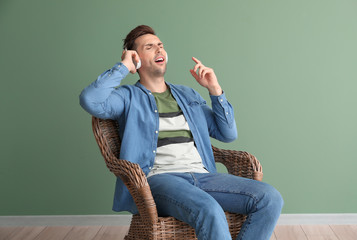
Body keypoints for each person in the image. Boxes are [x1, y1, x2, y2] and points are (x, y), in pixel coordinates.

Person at [80, 25, 283, 240]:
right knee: (209, 209)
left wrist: (215, 90)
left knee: (270, 198)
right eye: (149, 47)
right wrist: (123, 66)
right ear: (136, 59)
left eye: (161, 45)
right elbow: (90, 100)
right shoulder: (127, 97)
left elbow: (227, 133)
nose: (159, 50)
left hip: (203, 176)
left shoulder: (187, 95)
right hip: (160, 180)